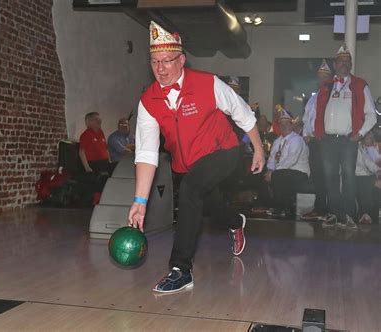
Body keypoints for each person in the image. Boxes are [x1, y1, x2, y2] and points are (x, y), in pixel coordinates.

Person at [127, 21, 265, 294]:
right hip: (187, 164)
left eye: (167, 61)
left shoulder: (207, 83)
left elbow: (242, 113)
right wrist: (140, 201)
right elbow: (146, 153)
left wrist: (258, 148)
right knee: (210, 205)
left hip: (223, 151)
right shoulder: (149, 101)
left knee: (190, 191)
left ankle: (180, 269)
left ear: (181, 60)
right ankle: (236, 222)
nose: (161, 68)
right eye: (155, 61)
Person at [314, 44, 377, 228]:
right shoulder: (326, 85)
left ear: (351, 64)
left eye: (347, 61)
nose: (344, 64)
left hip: (348, 140)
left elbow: (371, 115)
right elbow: (317, 111)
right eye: (341, 61)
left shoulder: (359, 84)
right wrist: (317, 132)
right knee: (330, 177)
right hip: (327, 139)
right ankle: (334, 213)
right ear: (335, 64)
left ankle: (349, 214)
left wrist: (360, 134)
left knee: (349, 176)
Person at [301, 59, 333, 221]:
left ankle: (329, 209)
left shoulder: (333, 96)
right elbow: (307, 118)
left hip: (327, 140)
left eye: (325, 76)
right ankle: (320, 208)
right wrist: (306, 134)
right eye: (320, 76)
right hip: (314, 141)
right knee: (317, 176)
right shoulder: (314, 99)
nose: (322, 79)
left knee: (328, 176)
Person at [265, 109, 310, 218]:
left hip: (299, 173)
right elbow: (272, 158)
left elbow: (291, 160)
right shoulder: (277, 141)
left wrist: (274, 172)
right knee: (262, 174)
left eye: (286, 123)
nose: (283, 126)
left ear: (292, 125)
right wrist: (270, 170)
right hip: (282, 171)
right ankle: (265, 205)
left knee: (279, 175)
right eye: (281, 123)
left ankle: (281, 207)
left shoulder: (297, 140)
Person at [355, 130, 380, 224]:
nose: (370, 137)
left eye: (371, 135)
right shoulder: (357, 147)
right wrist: (377, 171)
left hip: (370, 176)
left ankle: (371, 216)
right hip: (359, 175)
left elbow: (378, 163)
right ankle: (365, 214)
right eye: (368, 135)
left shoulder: (374, 148)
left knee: (376, 185)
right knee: (368, 183)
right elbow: (365, 163)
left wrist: (378, 171)